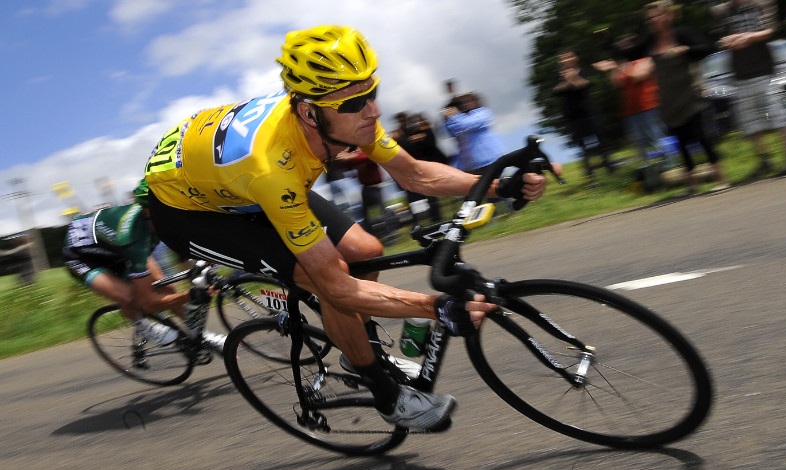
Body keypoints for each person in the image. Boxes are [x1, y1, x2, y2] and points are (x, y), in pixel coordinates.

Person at [142, 26, 549, 430]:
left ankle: (356, 345)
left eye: (372, 92)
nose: (372, 110)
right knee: (327, 278)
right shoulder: (274, 165)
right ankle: (386, 395)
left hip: (237, 182)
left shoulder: (339, 117)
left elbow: (415, 175)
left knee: (367, 251)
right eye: (356, 101)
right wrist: (436, 309)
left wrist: (501, 186)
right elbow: (335, 284)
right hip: (188, 210)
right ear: (308, 111)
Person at [62, 185, 224, 350]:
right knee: (132, 298)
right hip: (82, 256)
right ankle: (142, 325)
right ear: (147, 210)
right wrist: (191, 295)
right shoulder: (133, 238)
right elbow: (147, 303)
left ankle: (200, 335)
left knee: (166, 285)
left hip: (114, 245)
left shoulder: (153, 218)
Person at [645, 1, 730, 193]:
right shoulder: (651, 41)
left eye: (656, 16)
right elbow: (631, 53)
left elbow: (707, 47)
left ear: (668, 15)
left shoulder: (682, 34)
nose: (653, 20)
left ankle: (720, 178)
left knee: (702, 137)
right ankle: (693, 184)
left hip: (691, 95)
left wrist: (686, 50)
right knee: (681, 142)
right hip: (669, 99)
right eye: (650, 18)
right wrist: (609, 45)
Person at [712, 0, 786, 180]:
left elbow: (772, 30)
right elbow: (720, 39)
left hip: (765, 71)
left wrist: (749, 37)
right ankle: (765, 161)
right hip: (740, 74)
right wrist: (726, 41)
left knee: (779, 116)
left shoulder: (761, 4)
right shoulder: (721, 11)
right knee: (750, 123)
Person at [594, 36, 668, 167]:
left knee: (656, 137)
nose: (623, 49)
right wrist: (613, 69)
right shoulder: (623, 65)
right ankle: (648, 169)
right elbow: (616, 83)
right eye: (621, 46)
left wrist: (617, 66)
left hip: (649, 106)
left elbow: (637, 76)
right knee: (638, 142)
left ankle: (668, 164)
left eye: (626, 45)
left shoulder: (645, 60)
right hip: (630, 111)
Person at [553, 50, 615, 178]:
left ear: (575, 58)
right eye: (562, 58)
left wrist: (571, 79)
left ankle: (610, 166)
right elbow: (556, 91)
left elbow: (585, 84)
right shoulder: (558, 76)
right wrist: (567, 82)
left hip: (589, 111)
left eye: (568, 57)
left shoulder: (583, 71)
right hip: (573, 115)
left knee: (602, 141)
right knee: (582, 146)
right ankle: (589, 172)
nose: (565, 60)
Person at [390, 112, 445, 225]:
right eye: (400, 121)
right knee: (412, 199)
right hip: (408, 171)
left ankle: (436, 220)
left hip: (422, 167)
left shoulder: (417, 131)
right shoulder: (399, 135)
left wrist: (404, 140)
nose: (402, 123)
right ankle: (416, 224)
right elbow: (401, 149)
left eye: (404, 120)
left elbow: (429, 145)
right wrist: (407, 140)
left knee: (430, 195)